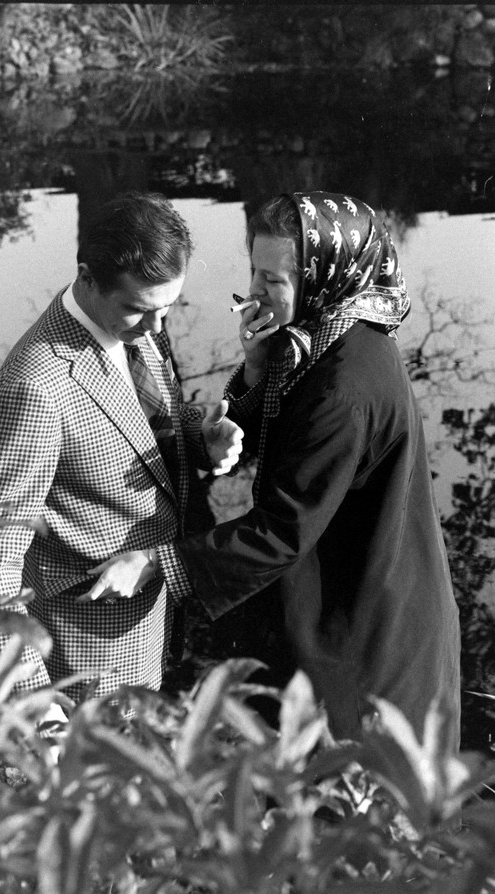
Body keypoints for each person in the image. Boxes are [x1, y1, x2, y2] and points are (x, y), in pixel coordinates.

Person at [87, 190, 461, 743]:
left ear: (326, 277)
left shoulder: (345, 389)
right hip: (347, 609)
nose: (253, 293)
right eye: (255, 271)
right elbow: (279, 438)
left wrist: (160, 563)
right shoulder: (327, 336)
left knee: (355, 806)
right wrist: (257, 368)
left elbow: (283, 530)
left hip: (370, 641)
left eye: (275, 281)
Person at [0, 191, 243, 718]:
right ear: (87, 278)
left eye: (167, 309)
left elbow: (136, 427)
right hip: (79, 665)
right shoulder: (36, 388)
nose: (157, 329)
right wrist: (38, 709)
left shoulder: (132, 328)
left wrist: (199, 439)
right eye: (140, 310)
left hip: (147, 631)